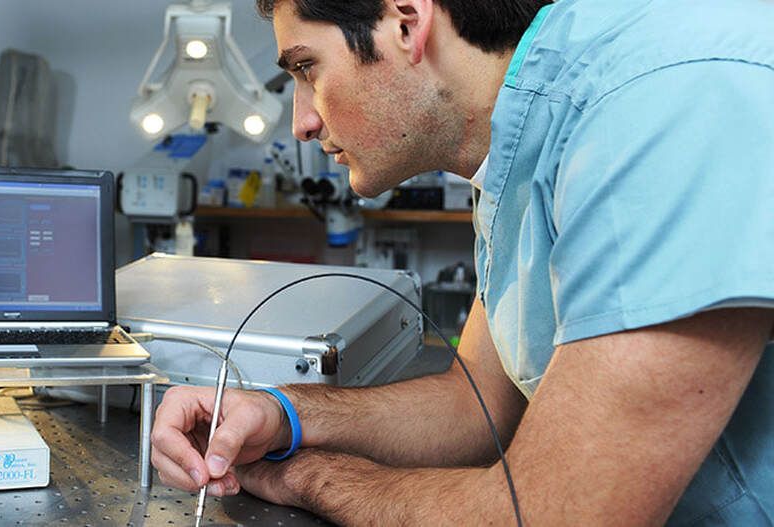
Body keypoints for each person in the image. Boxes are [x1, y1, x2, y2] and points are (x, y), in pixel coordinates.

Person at [150, 0, 774, 524]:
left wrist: (308, 479)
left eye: (308, 69)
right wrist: (279, 415)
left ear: (404, 21)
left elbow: (554, 514)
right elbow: (476, 406)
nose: (303, 123)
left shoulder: (661, 103)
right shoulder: (514, 147)